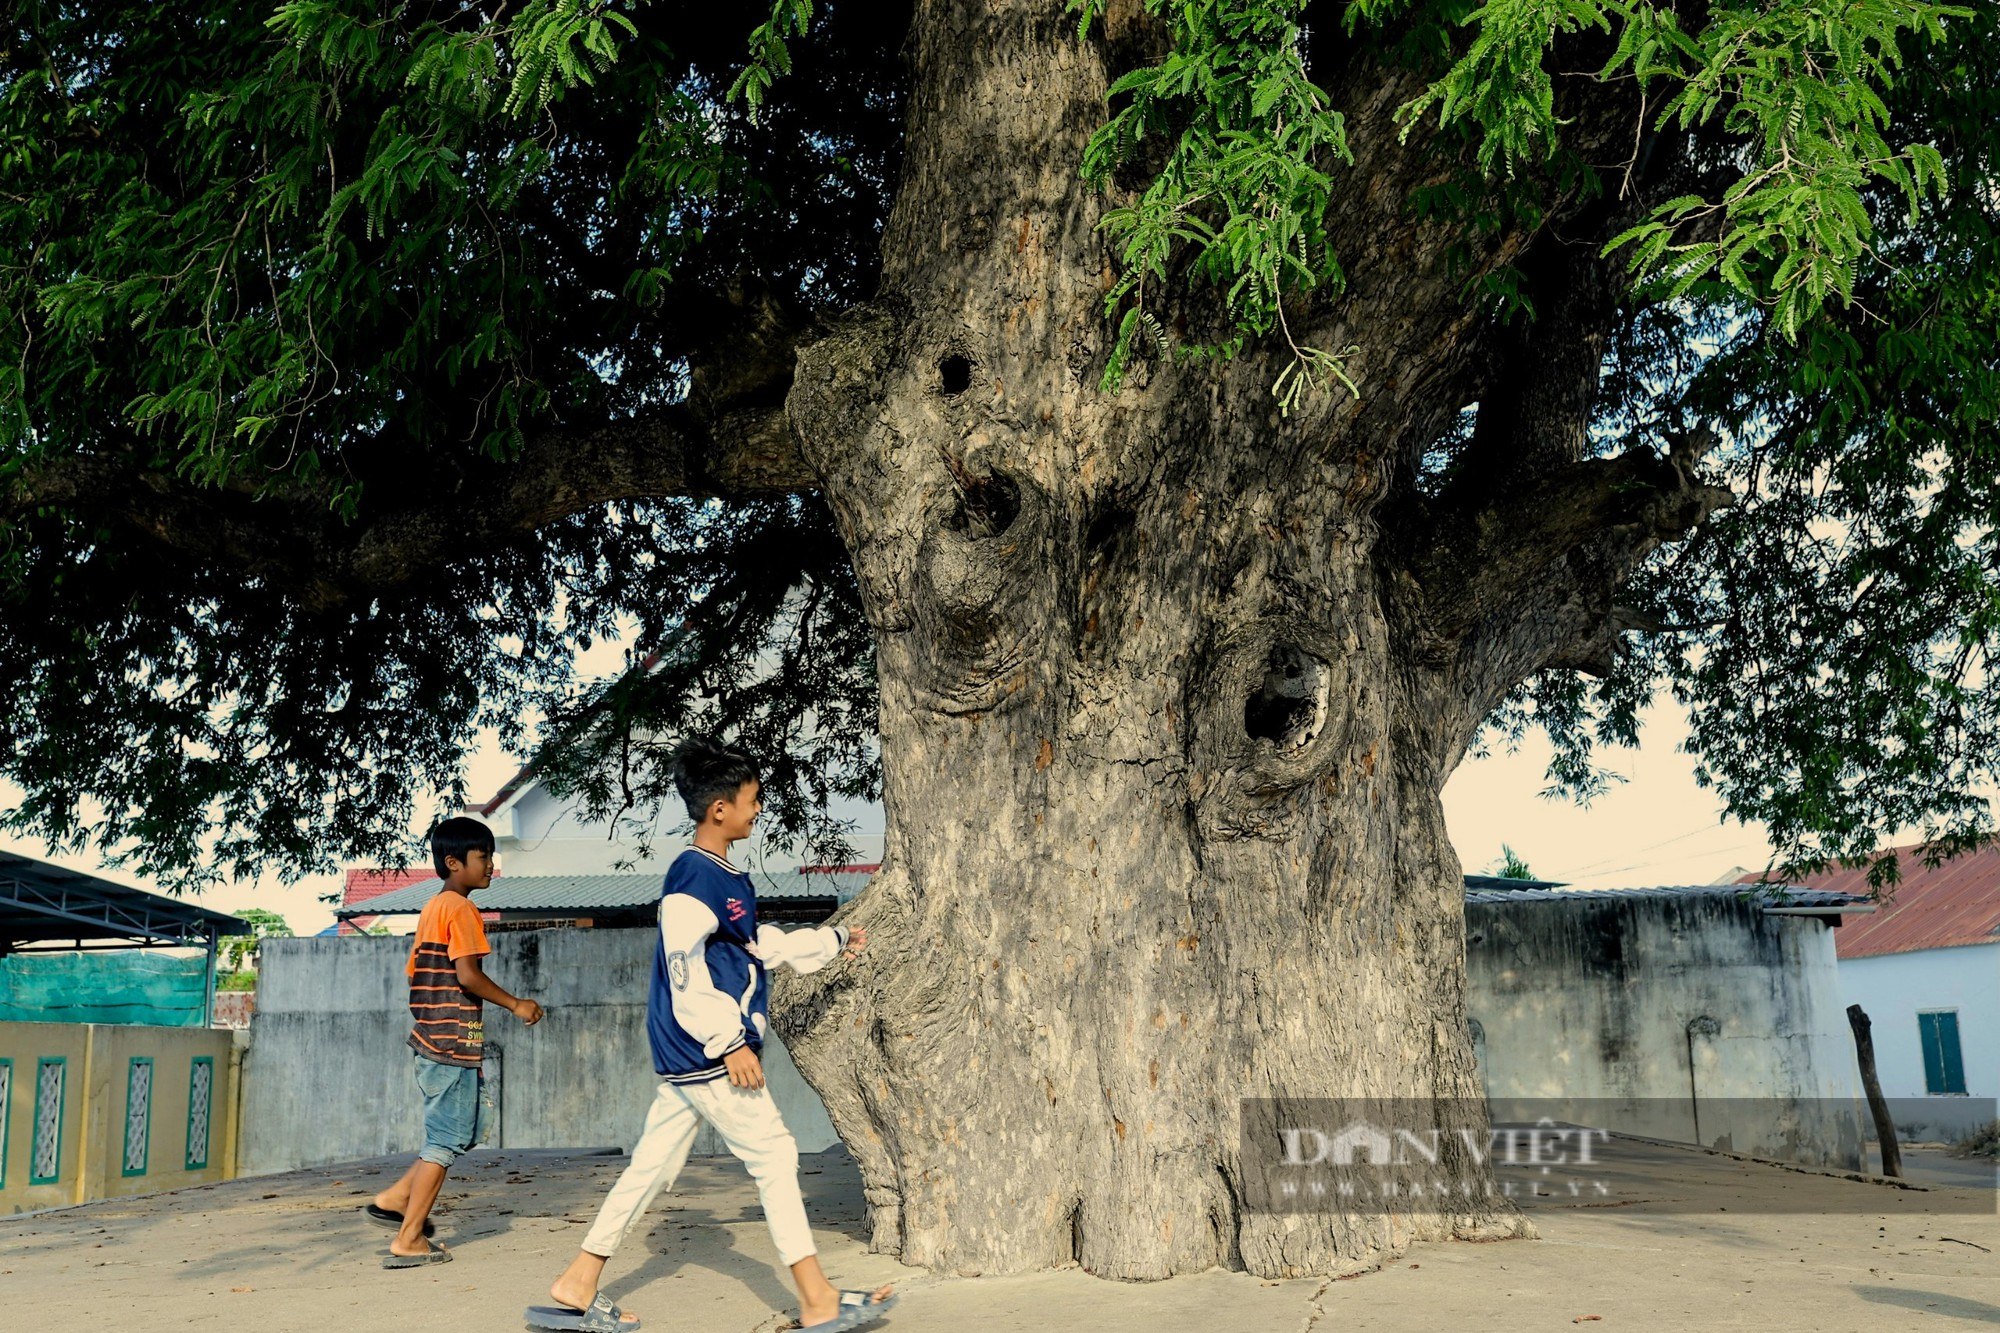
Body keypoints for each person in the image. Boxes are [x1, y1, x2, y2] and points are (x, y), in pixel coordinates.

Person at [527, 738, 895, 1333]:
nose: (757, 811)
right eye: (751, 801)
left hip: (690, 1055)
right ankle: (817, 1299)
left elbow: (757, 947)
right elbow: (684, 971)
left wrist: (832, 941)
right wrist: (729, 1042)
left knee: (651, 1167)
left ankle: (577, 1282)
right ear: (719, 809)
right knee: (774, 1154)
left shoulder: (723, 877)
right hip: (705, 1051)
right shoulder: (693, 875)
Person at [367, 816, 544, 1267]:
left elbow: (415, 973)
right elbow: (467, 974)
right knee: (445, 1142)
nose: (491, 865)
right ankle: (408, 1238)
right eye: (484, 857)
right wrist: (516, 1003)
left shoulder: (433, 908)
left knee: (458, 1133)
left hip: (436, 1038)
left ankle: (394, 1199)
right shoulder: (462, 910)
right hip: (449, 1043)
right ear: (454, 862)